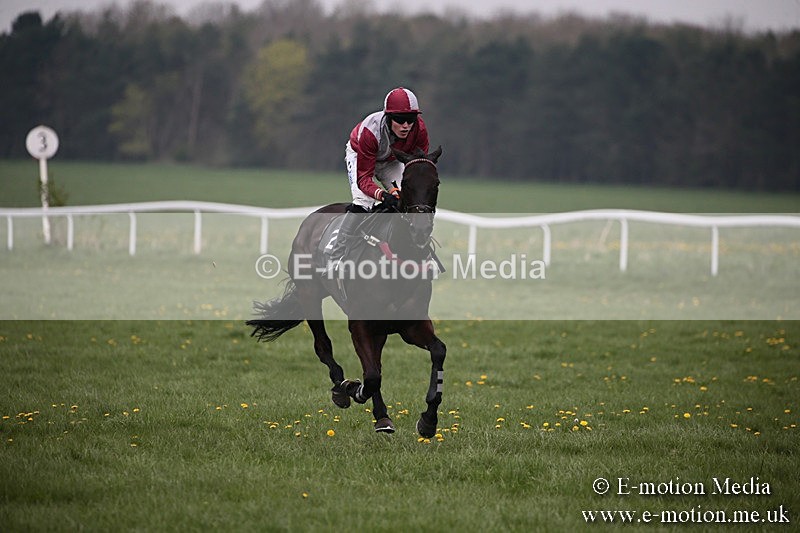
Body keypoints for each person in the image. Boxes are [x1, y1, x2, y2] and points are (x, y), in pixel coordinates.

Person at [326, 87, 430, 272]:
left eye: (411, 120)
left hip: (390, 160)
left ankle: (420, 252)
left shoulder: (419, 129)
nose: (406, 125)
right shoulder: (370, 131)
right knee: (363, 202)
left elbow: (418, 166)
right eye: (399, 120)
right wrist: (383, 194)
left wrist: (404, 191)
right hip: (361, 155)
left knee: (409, 200)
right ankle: (336, 256)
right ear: (389, 118)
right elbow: (364, 178)